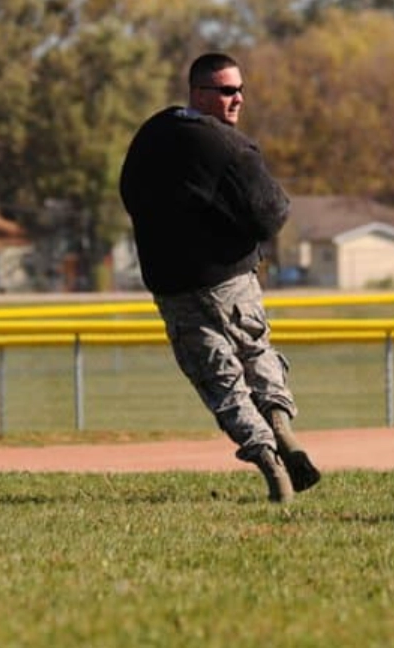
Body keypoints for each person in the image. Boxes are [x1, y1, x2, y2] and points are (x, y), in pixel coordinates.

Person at [118, 52, 320, 503]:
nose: (238, 99)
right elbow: (272, 215)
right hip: (231, 280)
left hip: (173, 284)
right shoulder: (231, 148)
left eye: (241, 90)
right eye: (228, 91)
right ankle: (281, 427)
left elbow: (130, 194)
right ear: (200, 93)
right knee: (256, 351)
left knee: (219, 380)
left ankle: (271, 465)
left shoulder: (152, 134)